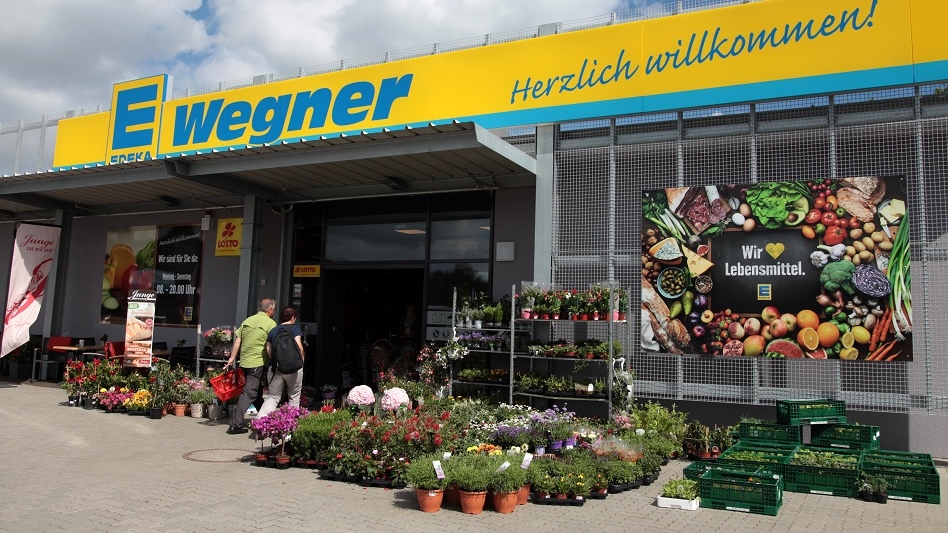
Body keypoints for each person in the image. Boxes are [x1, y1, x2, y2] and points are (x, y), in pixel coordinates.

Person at [224, 298, 276, 434]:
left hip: (245, 362)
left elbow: (238, 341)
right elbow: (269, 346)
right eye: (273, 310)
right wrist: (274, 360)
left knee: (257, 393)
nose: (273, 312)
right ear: (270, 310)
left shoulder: (248, 320)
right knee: (249, 393)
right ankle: (235, 425)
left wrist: (232, 358)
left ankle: (267, 420)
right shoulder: (271, 323)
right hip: (257, 363)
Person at [256, 306, 305, 418]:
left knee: (273, 397)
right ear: (293, 317)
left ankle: (260, 421)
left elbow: (268, 350)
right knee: (294, 396)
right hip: (294, 369)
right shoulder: (295, 328)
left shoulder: (273, 330)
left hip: (276, 368)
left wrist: (277, 361)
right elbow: (299, 346)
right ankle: (290, 423)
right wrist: (301, 361)